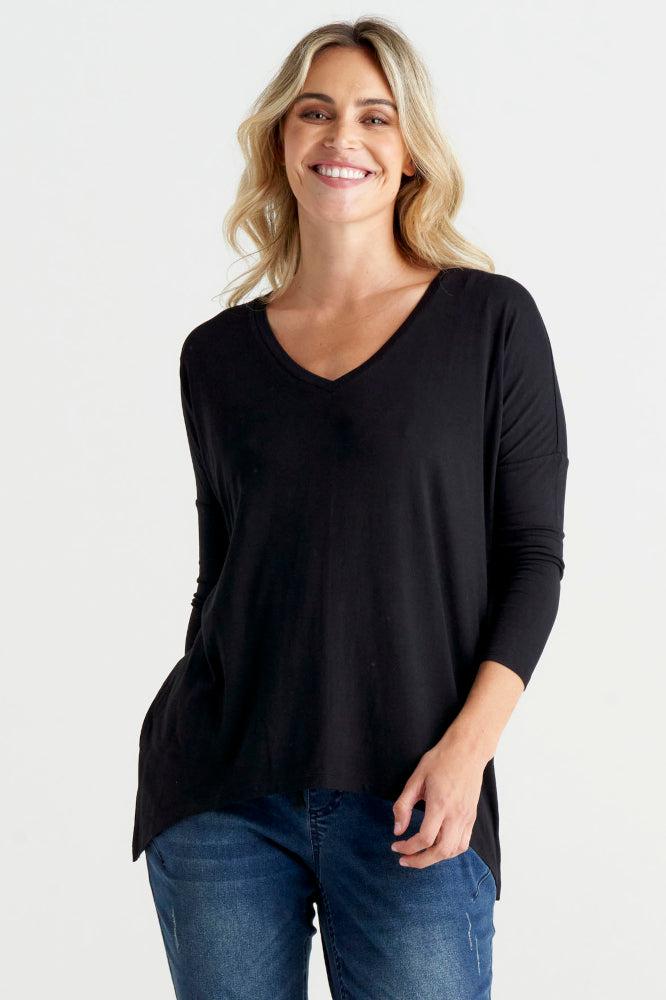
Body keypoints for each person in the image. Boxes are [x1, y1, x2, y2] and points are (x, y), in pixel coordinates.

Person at [132, 16, 569, 999]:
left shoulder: (490, 323)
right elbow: (224, 572)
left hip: (416, 797)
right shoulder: (216, 356)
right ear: (281, 141)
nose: (343, 137)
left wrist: (466, 754)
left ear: (410, 154)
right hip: (221, 799)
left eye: (376, 116)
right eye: (315, 113)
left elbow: (533, 558)